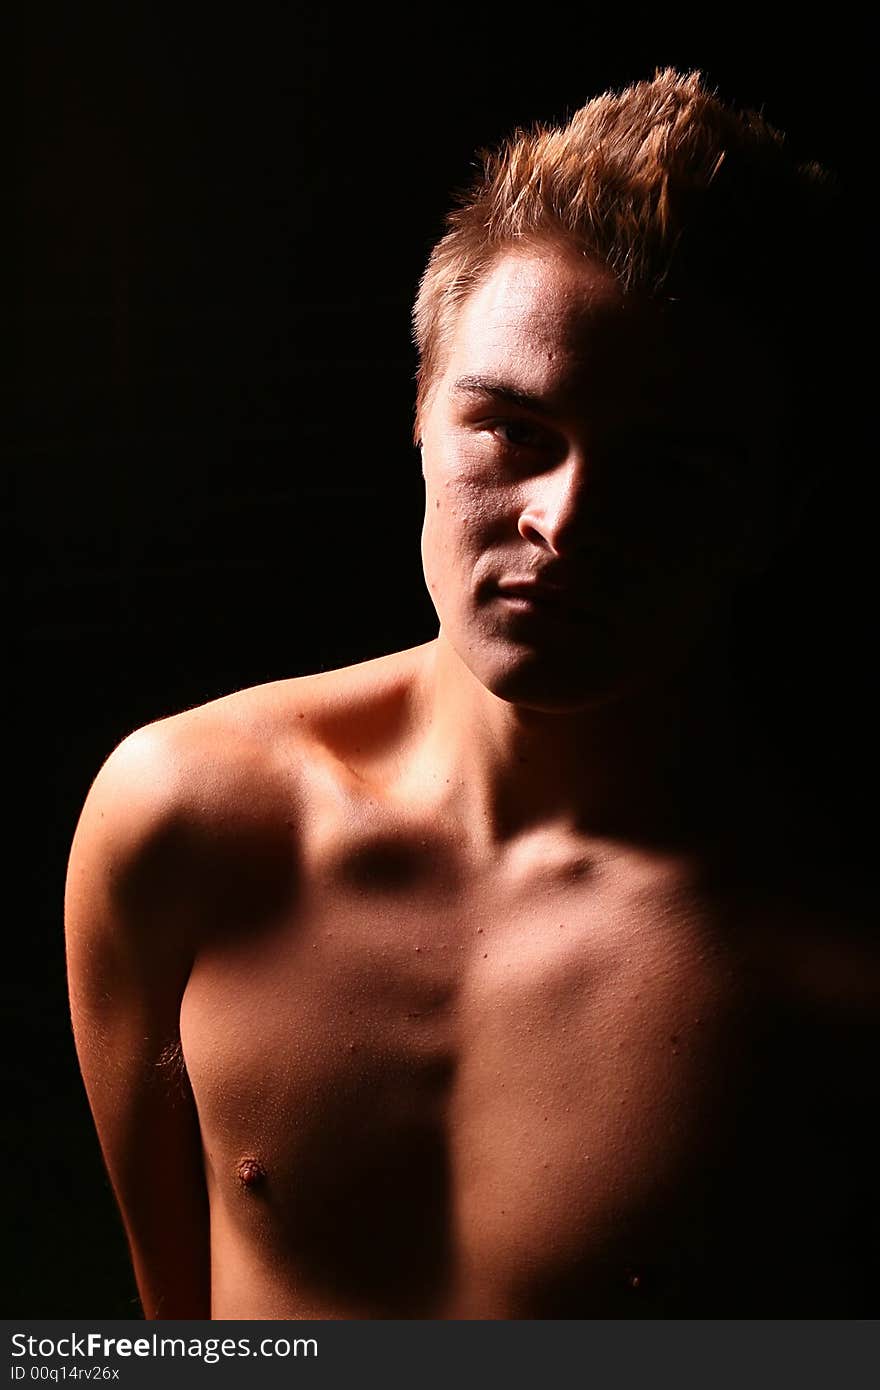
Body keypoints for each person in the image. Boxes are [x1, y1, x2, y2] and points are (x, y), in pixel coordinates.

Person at [65, 67, 877, 1320]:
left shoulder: (827, 956)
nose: (566, 521)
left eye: (669, 469)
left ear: (774, 507)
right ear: (420, 416)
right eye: (511, 428)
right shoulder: (182, 825)